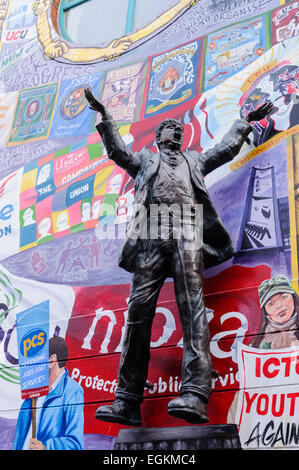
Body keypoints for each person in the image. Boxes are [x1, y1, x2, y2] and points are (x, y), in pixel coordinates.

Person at [85, 88, 273, 426]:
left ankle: (195, 394)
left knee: (193, 311)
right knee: (137, 315)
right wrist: (105, 117)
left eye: (179, 128)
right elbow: (116, 151)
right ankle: (127, 401)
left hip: (188, 235)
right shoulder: (144, 159)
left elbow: (225, 150)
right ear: (158, 136)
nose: (176, 130)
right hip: (151, 237)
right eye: (169, 127)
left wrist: (244, 123)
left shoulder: (195, 161)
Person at [13, 336, 84, 450]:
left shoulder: (72, 391)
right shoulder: (34, 390)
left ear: (52, 360)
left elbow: (75, 444)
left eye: (38, 359)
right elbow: (20, 436)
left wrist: (47, 447)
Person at [251, 273, 299, 349]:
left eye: (284, 297)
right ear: (265, 312)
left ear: (293, 298)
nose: (279, 306)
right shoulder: (261, 343)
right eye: (271, 303)